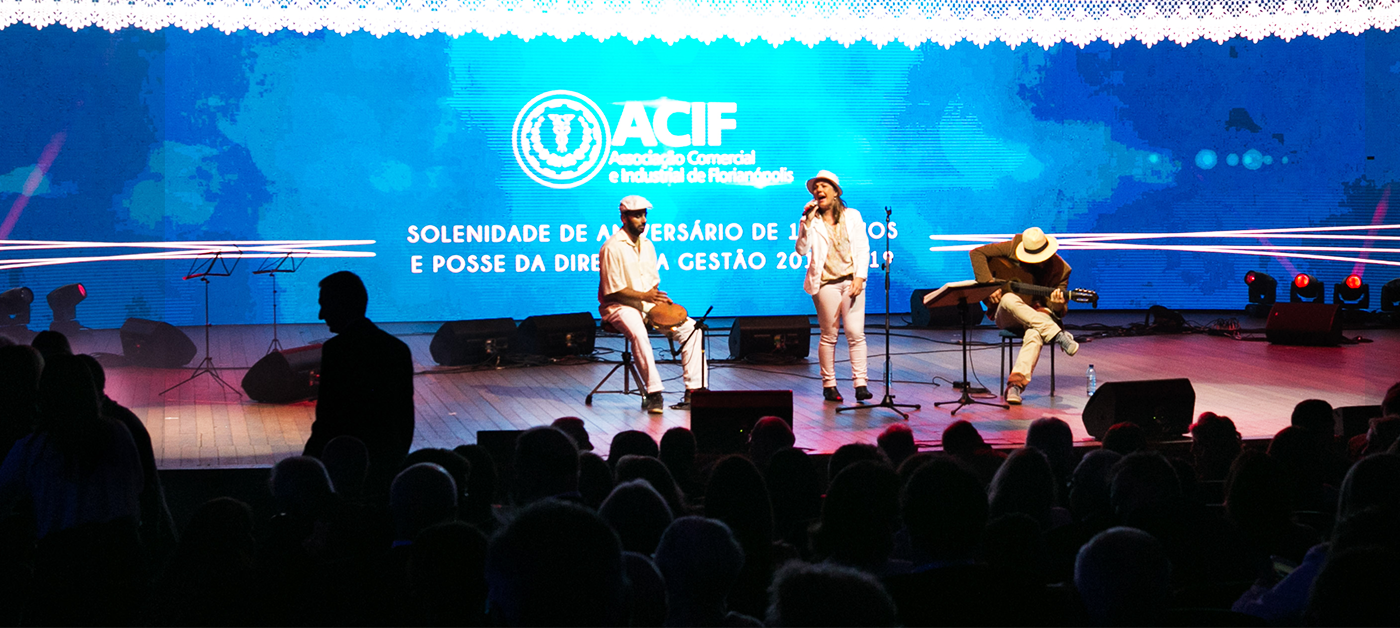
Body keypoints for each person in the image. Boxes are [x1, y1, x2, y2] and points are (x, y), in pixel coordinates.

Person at [302, 271, 415, 494]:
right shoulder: (397, 348)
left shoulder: (336, 350)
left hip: (343, 466)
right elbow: (404, 417)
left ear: (340, 305)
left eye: (324, 305)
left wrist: (309, 462)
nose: (320, 314)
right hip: (386, 463)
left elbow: (328, 417)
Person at [598, 195, 705, 413]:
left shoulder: (647, 245)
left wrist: (660, 300)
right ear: (624, 217)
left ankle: (694, 392)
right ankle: (655, 392)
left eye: (644, 215)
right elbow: (614, 292)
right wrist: (644, 297)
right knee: (638, 332)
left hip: (645, 305)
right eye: (637, 215)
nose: (643, 220)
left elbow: (651, 284)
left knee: (692, 329)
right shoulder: (612, 247)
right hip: (618, 307)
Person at [969, 226, 1078, 405]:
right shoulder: (1013, 247)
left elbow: (1057, 309)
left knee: (1035, 333)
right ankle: (1058, 334)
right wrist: (989, 284)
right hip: (1008, 314)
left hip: (1037, 316)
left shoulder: (1061, 269)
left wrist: (1058, 305)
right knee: (1009, 298)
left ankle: (1015, 386)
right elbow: (977, 254)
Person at [795, 170, 870, 403]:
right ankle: (829, 384)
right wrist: (805, 223)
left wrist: (860, 277)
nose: (819, 190)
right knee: (829, 335)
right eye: (816, 187)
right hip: (825, 283)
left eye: (824, 186)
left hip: (851, 280)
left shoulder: (853, 216)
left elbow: (862, 248)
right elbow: (801, 250)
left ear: (836, 192)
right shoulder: (811, 221)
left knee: (856, 333)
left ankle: (860, 384)